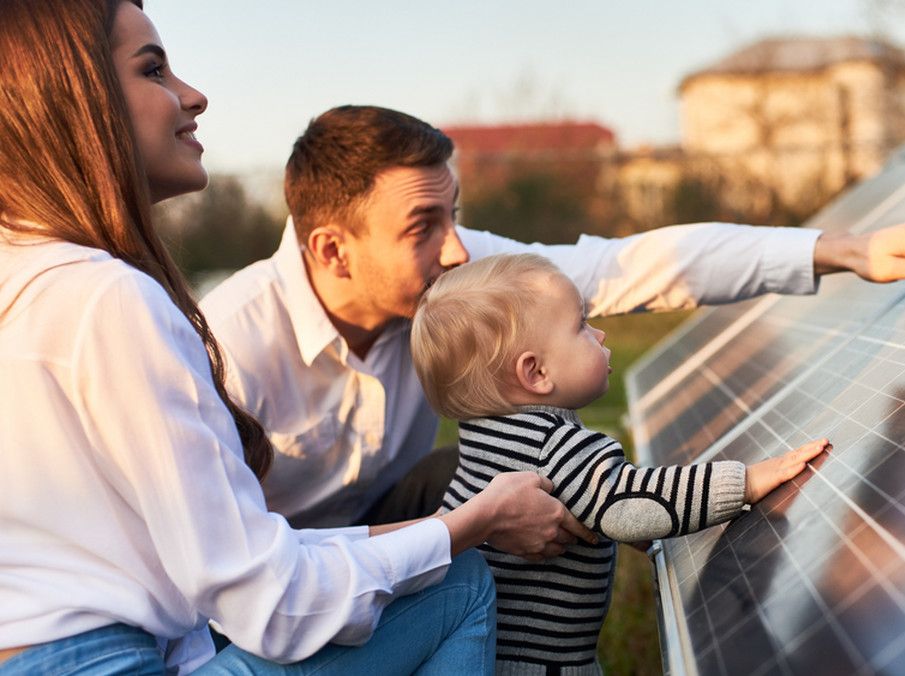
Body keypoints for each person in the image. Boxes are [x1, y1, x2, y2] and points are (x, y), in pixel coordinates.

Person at [0, 2, 589, 674]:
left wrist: (456, 523)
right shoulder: (110, 298)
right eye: (153, 69)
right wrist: (469, 528)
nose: (193, 95)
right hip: (111, 660)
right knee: (459, 585)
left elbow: (238, 569)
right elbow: (272, 606)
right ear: (73, 102)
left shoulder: (24, 278)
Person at [201, 104, 905, 530]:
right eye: (422, 230)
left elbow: (628, 266)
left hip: (390, 527)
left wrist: (842, 250)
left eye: (455, 217)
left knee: (518, 471)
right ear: (333, 251)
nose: (455, 254)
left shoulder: (455, 272)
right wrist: (458, 535)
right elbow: (222, 567)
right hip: (273, 588)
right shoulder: (228, 348)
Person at [409, 252, 833, 673]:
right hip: (542, 666)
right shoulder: (554, 449)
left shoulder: (484, 438)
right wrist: (747, 482)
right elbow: (630, 501)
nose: (600, 334)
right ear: (536, 373)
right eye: (580, 325)